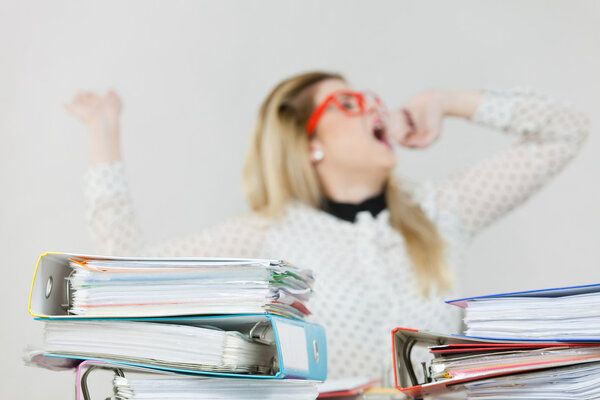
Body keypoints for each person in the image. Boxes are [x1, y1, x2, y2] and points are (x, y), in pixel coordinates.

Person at [65, 71, 589, 381]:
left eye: (371, 98)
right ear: (309, 144)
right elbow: (124, 274)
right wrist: (103, 135)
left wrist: (446, 102)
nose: (374, 106)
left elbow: (566, 131)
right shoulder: (267, 240)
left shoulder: (442, 211)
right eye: (348, 103)